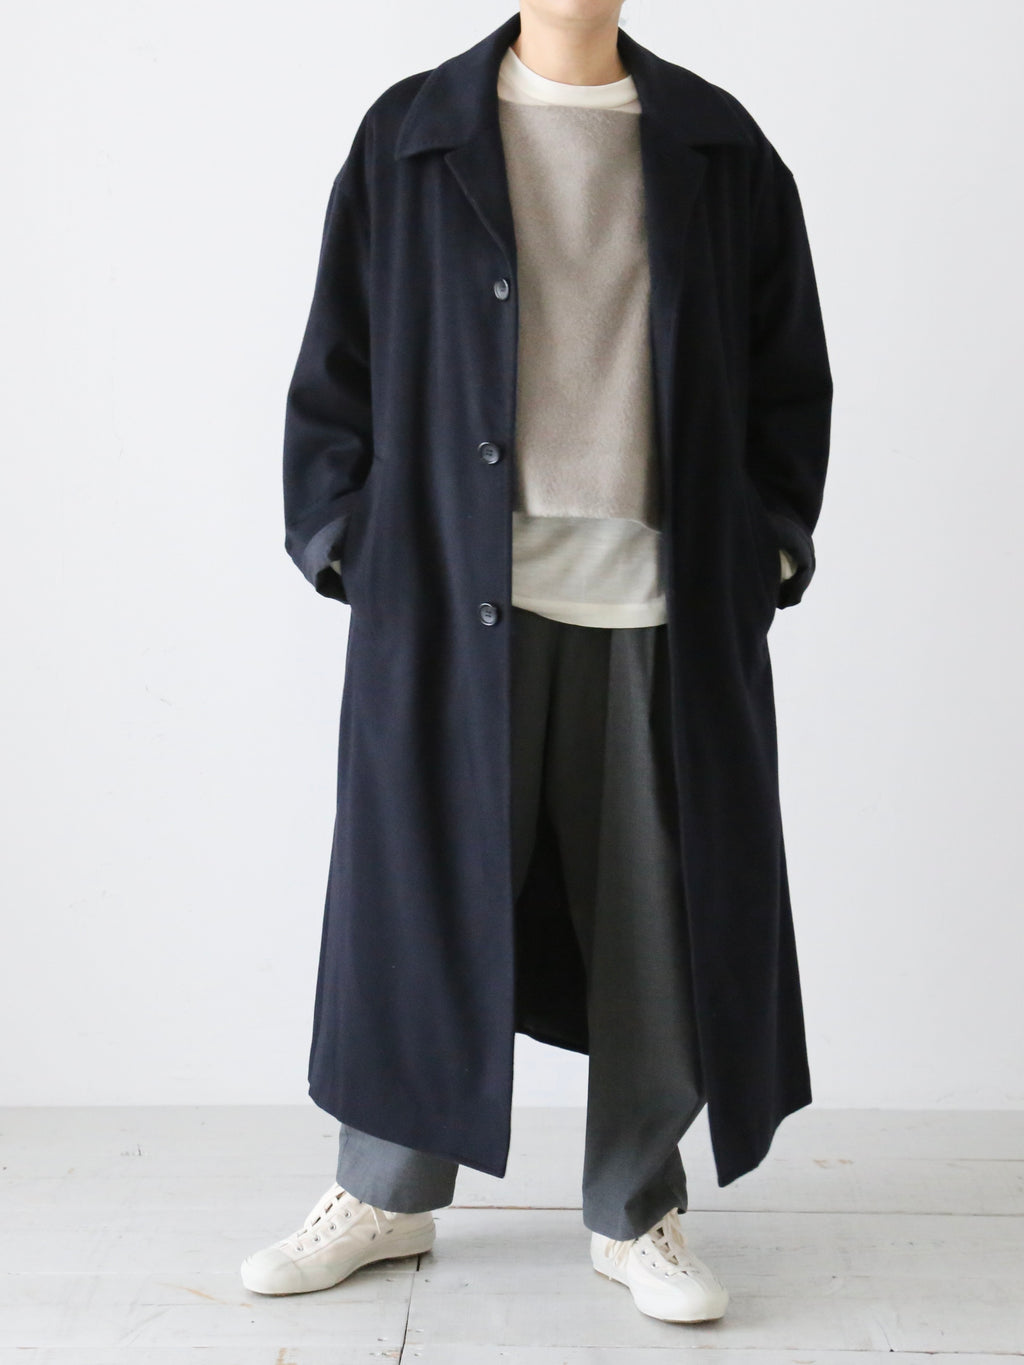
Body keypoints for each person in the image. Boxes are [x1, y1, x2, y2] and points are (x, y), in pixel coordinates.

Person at [242, 0, 830, 1327]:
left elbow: (789, 376)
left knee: (654, 922)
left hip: (656, 610)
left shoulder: (719, 145)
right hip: (453, 606)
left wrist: (770, 549)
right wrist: (347, 542)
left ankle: (635, 1206)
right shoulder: (410, 135)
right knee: (417, 900)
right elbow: (338, 362)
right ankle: (385, 1192)